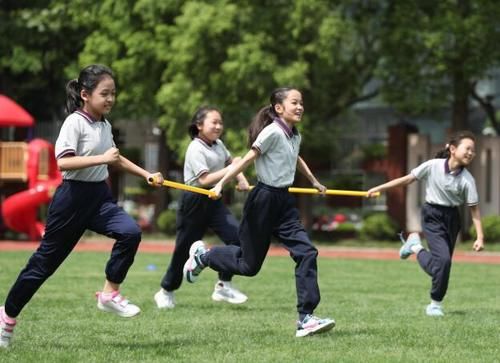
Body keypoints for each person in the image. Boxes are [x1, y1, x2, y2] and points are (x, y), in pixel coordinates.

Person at [0, 64, 164, 348]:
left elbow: (115, 157)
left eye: (114, 93)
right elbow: (63, 162)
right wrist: (102, 159)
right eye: (105, 93)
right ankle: (6, 317)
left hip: (99, 198)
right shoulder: (74, 123)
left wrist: (146, 174)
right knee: (43, 265)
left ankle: (109, 294)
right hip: (72, 200)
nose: (111, 99)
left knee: (130, 232)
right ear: (86, 94)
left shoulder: (104, 124)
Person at [182, 88, 335, 337]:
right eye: (294, 103)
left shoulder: (294, 135)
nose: (300, 107)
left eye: (301, 103)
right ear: (278, 108)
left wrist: (314, 181)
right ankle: (203, 257)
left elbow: (297, 158)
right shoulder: (272, 132)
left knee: (307, 252)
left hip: (284, 202)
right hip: (263, 200)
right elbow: (245, 160)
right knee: (248, 265)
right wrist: (220, 184)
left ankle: (306, 318)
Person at [366, 130, 485, 317]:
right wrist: (379, 188)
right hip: (432, 216)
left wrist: (480, 236)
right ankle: (435, 304)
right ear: (453, 149)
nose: (471, 153)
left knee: (443, 265)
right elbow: (407, 179)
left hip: (452, 219)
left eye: (473, 150)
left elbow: (474, 210)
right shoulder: (433, 166)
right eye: (467, 148)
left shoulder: (468, 180)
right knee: (443, 262)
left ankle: (415, 247)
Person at [154, 106, 250, 309]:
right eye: (213, 122)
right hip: (194, 200)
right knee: (183, 250)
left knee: (237, 239)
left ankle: (224, 285)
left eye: (220, 123)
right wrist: (232, 171)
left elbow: (232, 162)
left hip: (214, 201)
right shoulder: (195, 148)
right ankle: (166, 290)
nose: (218, 126)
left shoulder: (218, 145)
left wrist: (241, 178)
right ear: (199, 126)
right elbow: (205, 179)